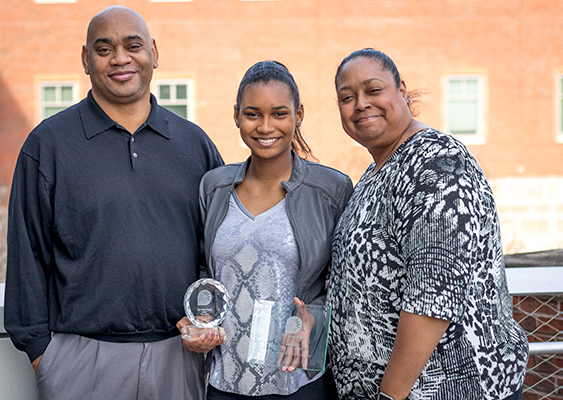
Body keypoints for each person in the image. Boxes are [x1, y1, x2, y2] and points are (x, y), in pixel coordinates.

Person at [4, 6, 223, 400]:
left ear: (153, 52)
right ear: (86, 60)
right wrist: (43, 354)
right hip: (81, 360)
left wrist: (209, 324)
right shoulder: (48, 145)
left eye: (132, 45)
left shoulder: (195, 145)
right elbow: (27, 253)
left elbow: (219, 248)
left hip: (179, 357)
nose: (120, 58)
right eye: (104, 49)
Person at [326, 48, 529, 400]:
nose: (360, 104)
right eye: (347, 97)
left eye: (373, 90)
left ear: (401, 90)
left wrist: (391, 394)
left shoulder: (437, 163)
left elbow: (434, 296)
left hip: (443, 389)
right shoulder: (376, 173)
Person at [177, 61, 353, 399]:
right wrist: (196, 320)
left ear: (298, 114)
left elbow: (348, 283)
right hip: (225, 381)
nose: (265, 126)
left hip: (299, 381)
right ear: (236, 115)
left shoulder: (331, 189)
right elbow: (202, 272)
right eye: (253, 114)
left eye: (279, 113)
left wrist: (313, 316)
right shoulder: (213, 187)